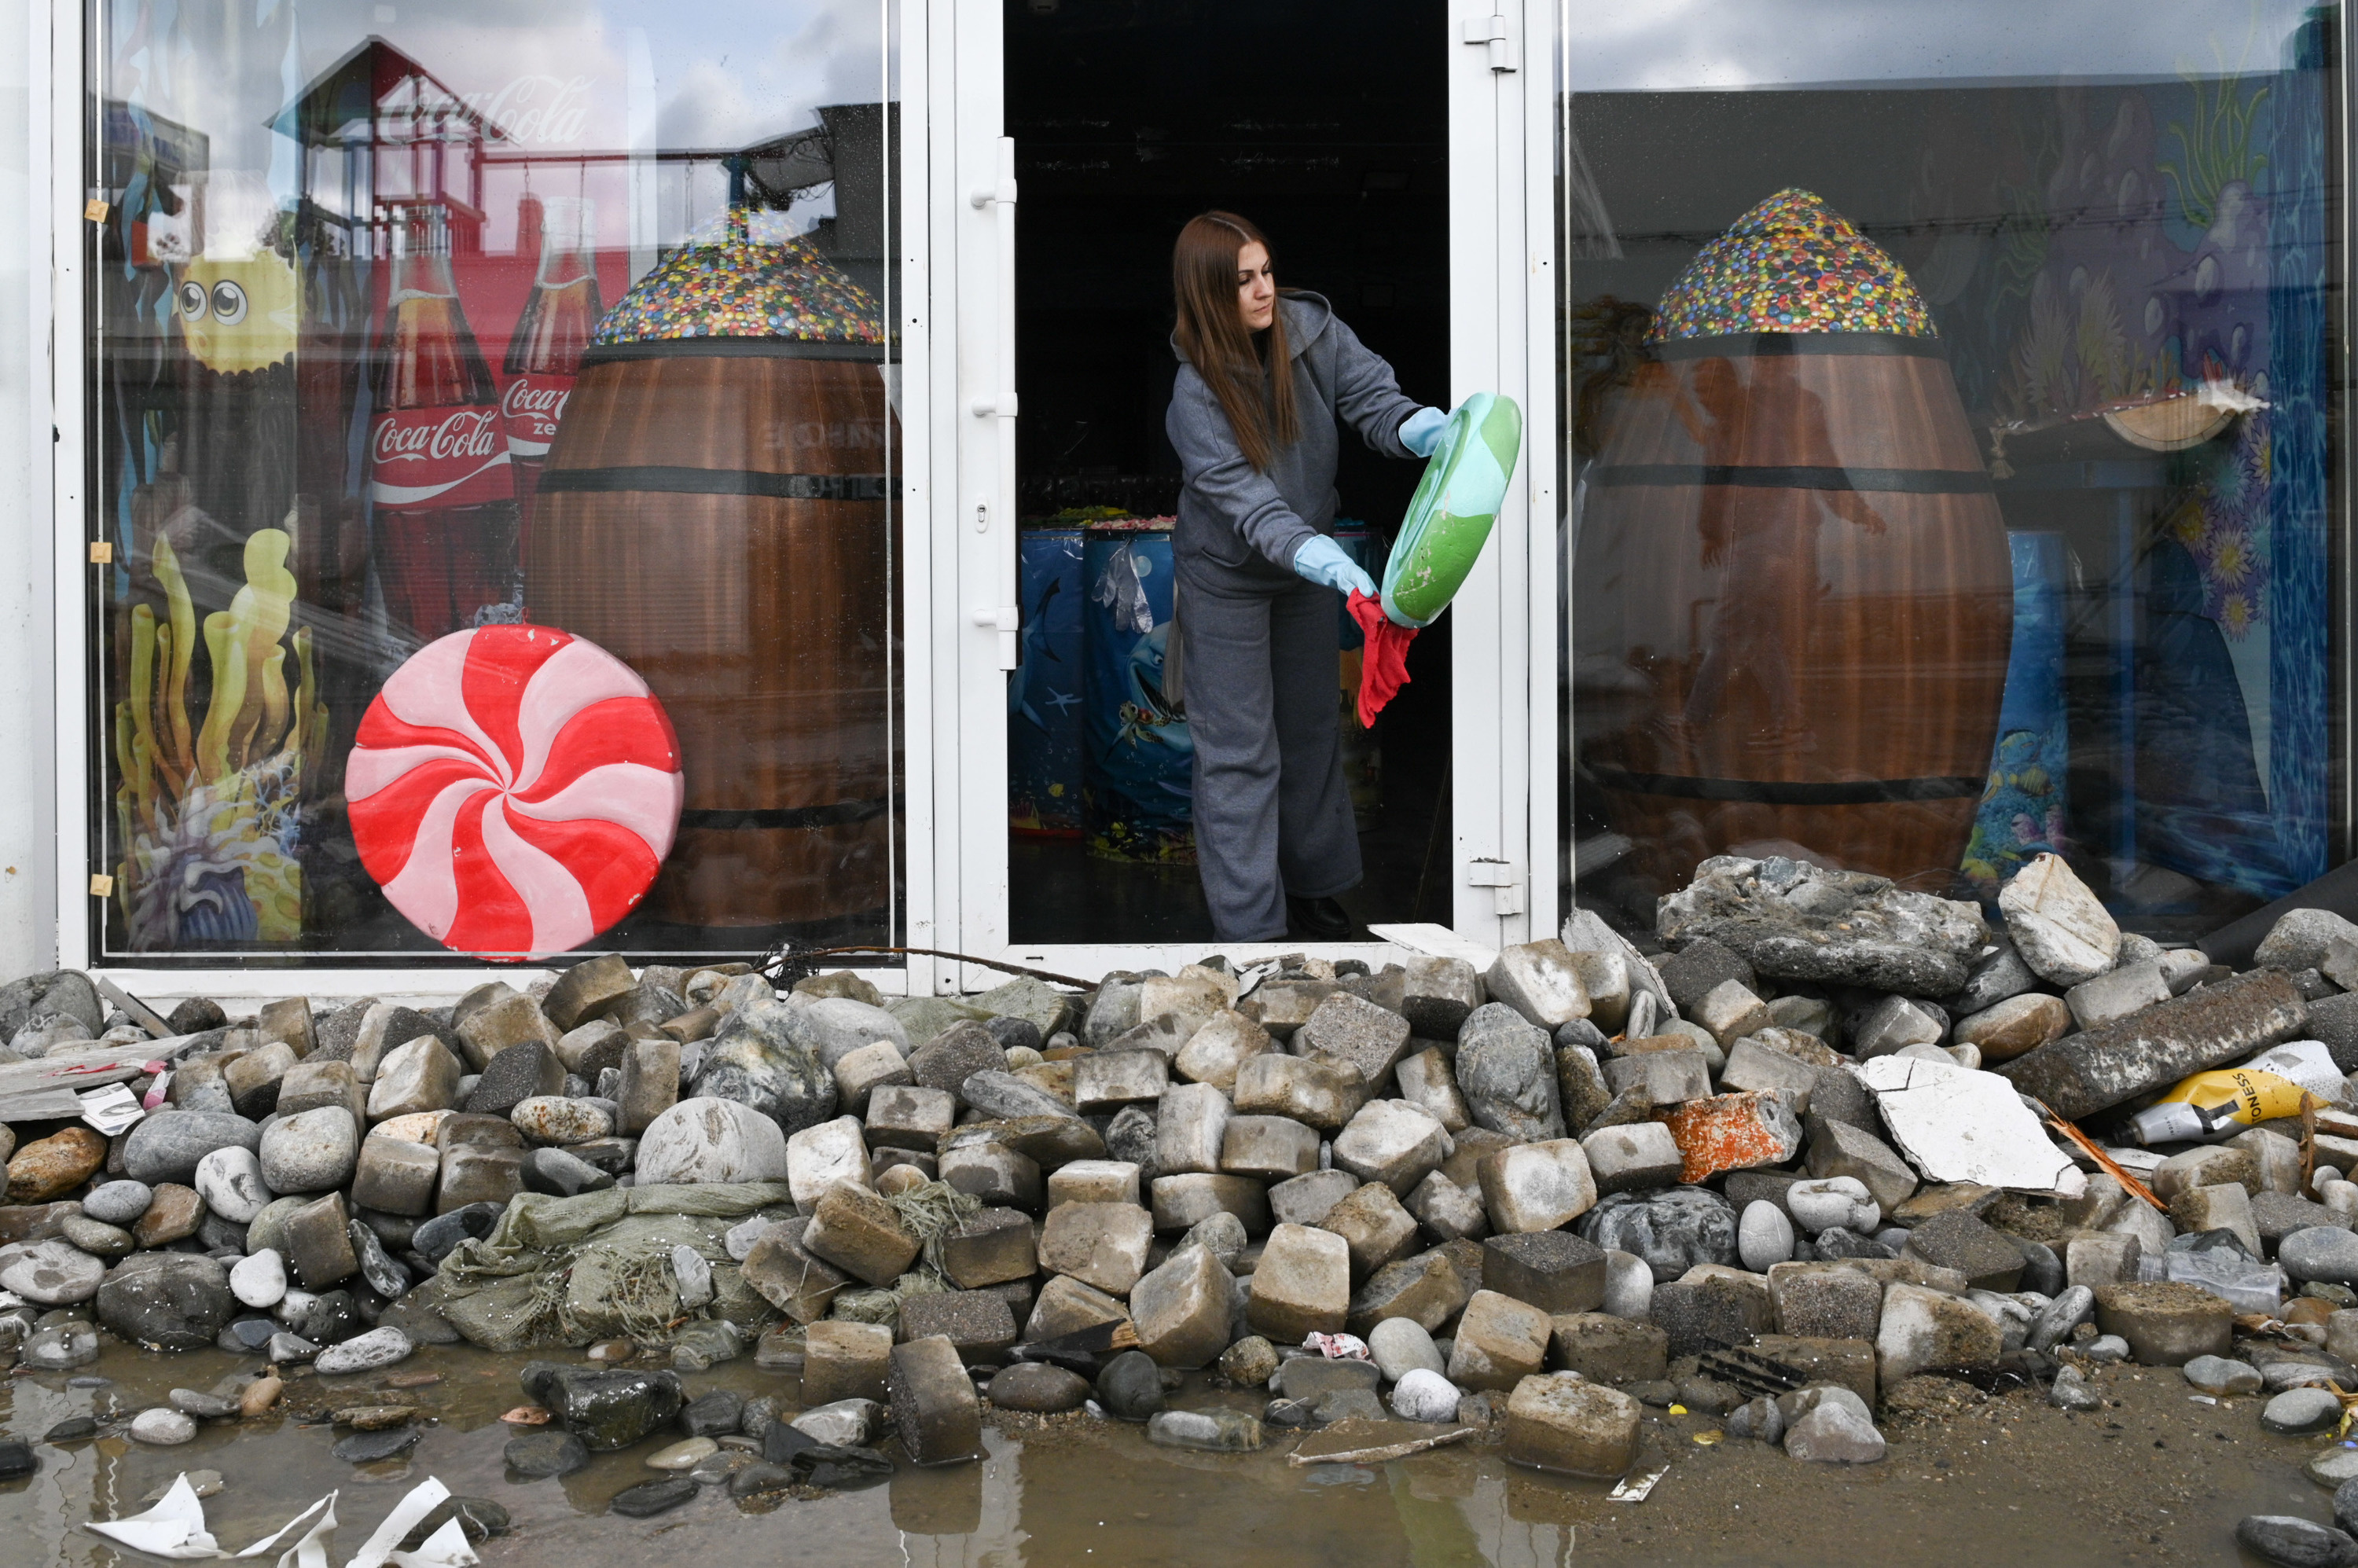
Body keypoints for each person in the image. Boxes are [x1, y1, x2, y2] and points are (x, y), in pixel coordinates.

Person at [1165, 211, 1445, 942]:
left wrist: (1423, 429)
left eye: (1265, 271)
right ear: (1205, 295)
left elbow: (1374, 403)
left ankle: (1317, 896)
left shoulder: (1314, 332)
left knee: (1312, 733)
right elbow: (1252, 509)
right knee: (1239, 754)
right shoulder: (1194, 395)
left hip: (1302, 570)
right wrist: (1318, 554)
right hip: (1225, 575)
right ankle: (1253, 934)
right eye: (1242, 282)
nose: (1263, 291)